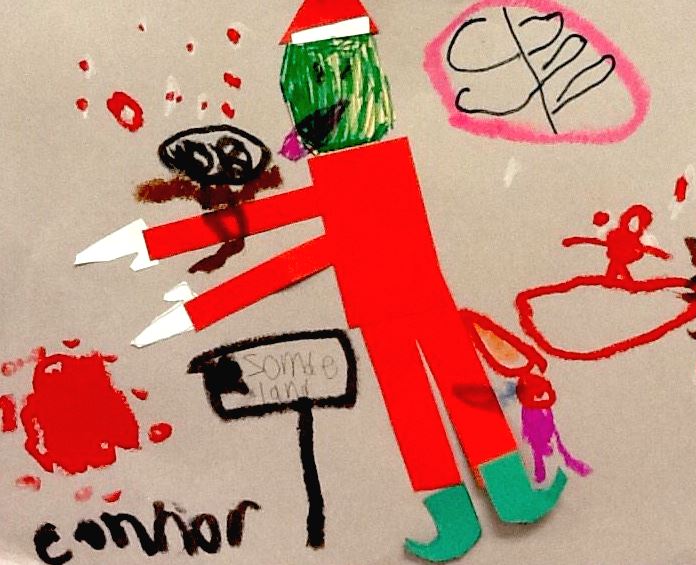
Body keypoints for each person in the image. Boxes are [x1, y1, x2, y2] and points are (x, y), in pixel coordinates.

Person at [75, 0, 566, 561]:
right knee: (430, 404)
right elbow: (304, 227)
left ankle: (490, 503)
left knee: (433, 401)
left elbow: (305, 231)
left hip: (404, 293)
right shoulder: (359, 167)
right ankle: (486, 505)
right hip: (393, 296)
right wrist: (168, 256)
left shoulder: (369, 167)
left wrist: (174, 261)